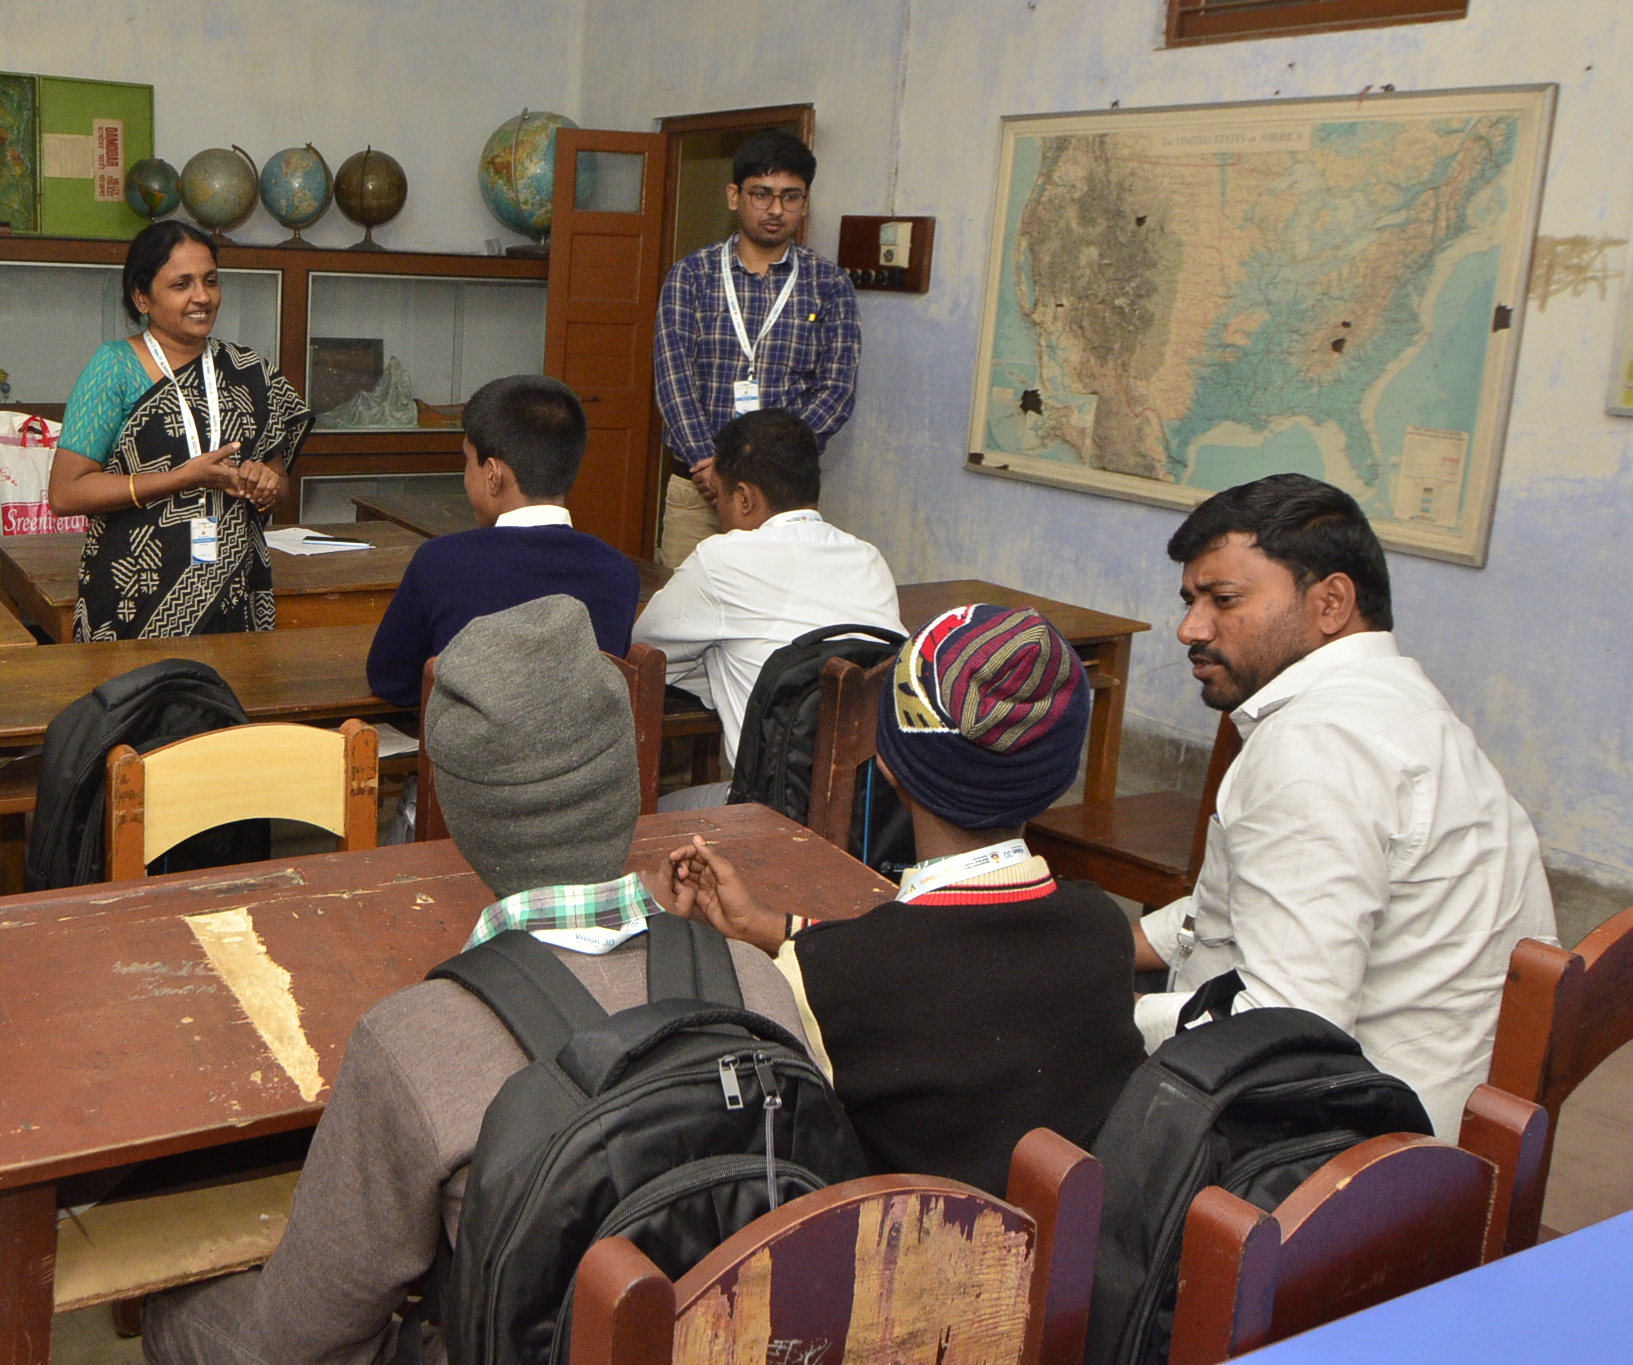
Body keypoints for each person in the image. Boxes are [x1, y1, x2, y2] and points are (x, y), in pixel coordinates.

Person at [141, 596, 802, 1365]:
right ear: (630, 777)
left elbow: (307, 1336)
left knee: (184, 1320)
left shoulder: (414, 1041)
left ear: (459, 812)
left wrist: (180, 1310)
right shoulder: (759, 988)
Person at [662, 604, 1145, 1195]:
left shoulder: (829, 977)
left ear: (887, 763)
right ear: (1055, 779)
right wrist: (777, 928)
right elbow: (944, 970)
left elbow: (884, 975)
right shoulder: (1102, 928)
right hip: (1070, 1254)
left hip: (909, 1263)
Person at [1133, 473, 1556, 1139]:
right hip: (1444, 1097)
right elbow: (1280, 888)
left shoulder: (1313, 750)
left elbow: (1286, 1027)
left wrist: (1113, 1015)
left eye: (1224, 599)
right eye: (1191, 600)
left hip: (1350, 1149)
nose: (1190, 628)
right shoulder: (1397, 700)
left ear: (1331, 602)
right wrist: (1125, 944)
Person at [47, 222, 313, 640]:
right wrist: (181, 479)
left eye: (210, 281)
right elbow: (65, 493)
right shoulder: (113, 368)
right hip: (133, 594)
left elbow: (281, 488)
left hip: (236, 592)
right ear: (142, 297)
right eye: (181, 284)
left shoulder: (251, 371)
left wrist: (266, 485)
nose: (202, 297)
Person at [635, 408, 901, 798]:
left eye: (720, 498)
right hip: (869, 817)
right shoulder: (869, 558)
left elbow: (644, 653)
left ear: (743, 497)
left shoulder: (721, 559)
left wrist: (718, 662)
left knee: (647, 819)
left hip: (769, 814)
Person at [364, 374, 639, 708]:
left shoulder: (441, 562)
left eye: (467, 462)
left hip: (475, 758)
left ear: (493, 475)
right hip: (584, 759)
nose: (466, 479)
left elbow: (390, 679)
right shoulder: (620, 574)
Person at [651, 129, 859, 570]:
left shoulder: (829, 284)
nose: (776, 210)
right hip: (698, 486)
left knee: (777, 622)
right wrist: (712, 465)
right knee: (682, 619)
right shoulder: (691, 276)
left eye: (791, 197)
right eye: (762, 195)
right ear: (734, 195)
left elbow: (837, 389)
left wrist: (767, 465)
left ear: (805, 202)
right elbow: (674, 379)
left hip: (782, 497)